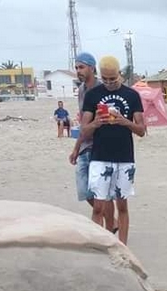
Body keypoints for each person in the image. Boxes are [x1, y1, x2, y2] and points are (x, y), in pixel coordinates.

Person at [81, 55, 146, 245]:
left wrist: (124, 121)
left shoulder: (132, 95)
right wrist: (96, 122)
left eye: (113, 79)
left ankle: (123, 247)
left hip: (124, 157)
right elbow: (84, 131)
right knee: (98, 207)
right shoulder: (93, 95)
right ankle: (99, 245)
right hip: (100, 156)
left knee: (122, 205)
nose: (109, 83)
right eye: (105, 79)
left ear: (120, 75)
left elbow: (141, 130)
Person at [70, 52, 116, 234]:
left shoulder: (102, 87)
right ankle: (111, 221)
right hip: (84, 144)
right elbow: (83, 122)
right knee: (85, 191)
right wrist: (75, 148)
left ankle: (109, 229)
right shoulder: (82, 90)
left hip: (101, 146)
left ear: (91, 67)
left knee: (103, 192)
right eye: (76, 67)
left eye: (81, 67)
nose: (78, 71)